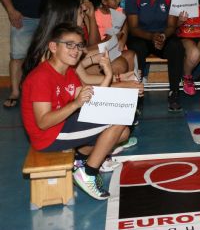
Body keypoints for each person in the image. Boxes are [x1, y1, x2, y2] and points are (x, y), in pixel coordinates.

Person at [21, 22, 130, 199]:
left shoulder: (69, 71)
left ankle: (80, 158)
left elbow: (94, 102)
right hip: (48, 136)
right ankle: (89, 173)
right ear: (53, 46)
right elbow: (43, 122)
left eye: (79, 45)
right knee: (118, 118)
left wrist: (108, 74)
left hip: (61, 126)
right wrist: (75, 104)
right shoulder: (42, 76)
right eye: (69, 45)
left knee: (123, 132)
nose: (76, 50)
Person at [125, 0, 185, 112]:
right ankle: (136, 94)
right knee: (136, 49)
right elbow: (133, 28)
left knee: (177, 47)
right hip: (142, 36)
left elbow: (172, 25)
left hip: (164, 35)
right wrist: (151, 36)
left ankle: (174, 92)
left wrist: (163, 36)